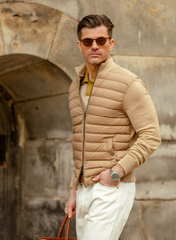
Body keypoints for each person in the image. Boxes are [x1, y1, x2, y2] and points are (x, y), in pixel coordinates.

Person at [64, 14, 161, 240]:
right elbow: (80, 140)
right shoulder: (74, 87)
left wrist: (116, 172)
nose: (95, 46)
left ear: (111, 43)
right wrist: (73, 191)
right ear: (80, 45)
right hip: (83, 188)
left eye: (101, 40)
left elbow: (151, 135)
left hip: (112, 187)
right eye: (88, 41)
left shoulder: (128, 83)